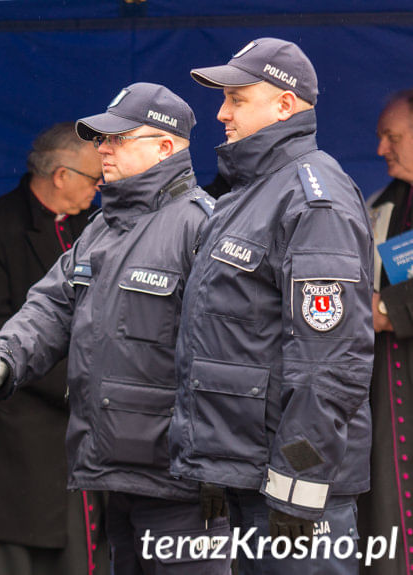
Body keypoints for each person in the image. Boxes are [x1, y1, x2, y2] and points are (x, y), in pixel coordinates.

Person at [0, 82, 230, 574]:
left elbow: (227, 357)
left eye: (118, 138)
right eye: (102, 138)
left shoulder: (202, 227)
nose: (103, 148)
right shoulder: (101, 230)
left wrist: (211, 469)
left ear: (165, 146)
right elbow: (48, 309)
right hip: (118, 478)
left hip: (183, 489)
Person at [169, 38, 373, 574]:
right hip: (249, 485)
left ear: (284, 104)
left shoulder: (313, 197)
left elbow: (330, 363)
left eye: (237, 98)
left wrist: (297, 487)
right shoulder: (250, 193)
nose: (221, 113)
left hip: (293, 499)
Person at [0, 122, 108, 575]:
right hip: (13, 445)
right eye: (93, 180)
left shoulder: (94, 230)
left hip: (75, 437)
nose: (98, 192)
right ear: (60, 175)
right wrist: (86, 383)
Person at [358, 89, 413, 575]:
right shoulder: (382, 206)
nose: (381, 150)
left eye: (392, 138)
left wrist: (384, 308)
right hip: (386, 399)